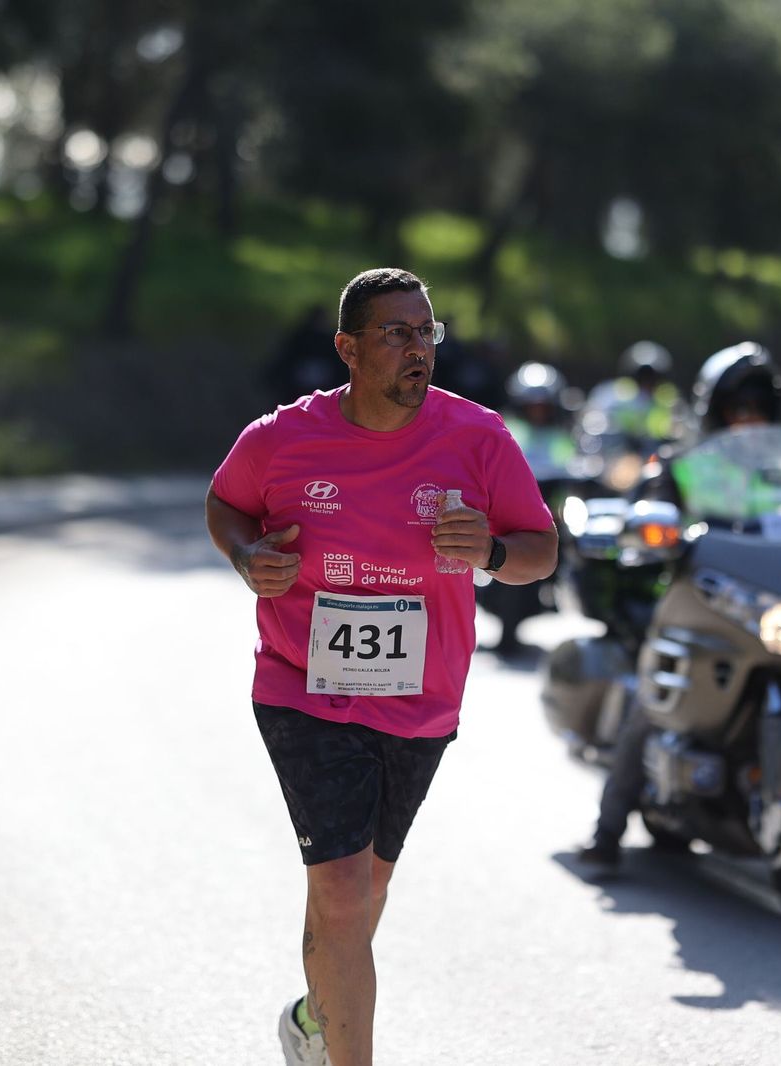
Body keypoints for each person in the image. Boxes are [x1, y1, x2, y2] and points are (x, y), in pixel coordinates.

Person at [206, 267, 558, 1066]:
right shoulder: (281, 438)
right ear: (349, 348)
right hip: (303, 688)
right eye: (396, 333)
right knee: (339, 891)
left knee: (367, 888)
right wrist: (246, 556)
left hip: (421, 699)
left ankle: (313, 1019)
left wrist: (493, 552)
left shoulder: (478, 437)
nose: (417, 348)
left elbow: (541, 551)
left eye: (426, 331)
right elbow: (225, 504)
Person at [575, 341, 781, 876]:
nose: (749, 420)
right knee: (655, 698)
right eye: (739, 408)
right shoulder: (682, 464)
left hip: (761, 608)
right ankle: (607, 832)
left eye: (759, 409)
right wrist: (657, 527)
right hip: (688, 601)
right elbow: (648, 511)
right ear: (716, 409)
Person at [582, 339, 680, 449]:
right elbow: (592, 420)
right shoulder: (613, 395)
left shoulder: (668, 400)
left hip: (654, 453)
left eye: (653, 378)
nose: (647, 382)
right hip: (616, 451)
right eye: (642, 377)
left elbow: (679, 429)